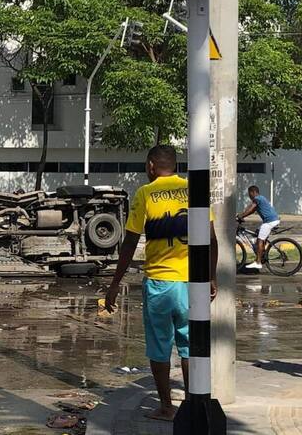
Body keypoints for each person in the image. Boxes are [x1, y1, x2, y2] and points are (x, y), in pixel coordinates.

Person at [104, 145, 218, 422]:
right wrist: (210, 276)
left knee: (159, 347)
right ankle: (192, 402)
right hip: (191, 283)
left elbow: (130, 241)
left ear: (151, 166)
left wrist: (115, 283)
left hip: (158, 282)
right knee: (190, 345)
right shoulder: (194, 190)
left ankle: (167, 407)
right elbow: (212, 239)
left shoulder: (145, 193)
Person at [238, 185, 280, 270]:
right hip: (271, 220)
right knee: (257, 234)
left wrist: (241, 216)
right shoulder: (261, 199)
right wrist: (242, 215)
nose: (249, 196)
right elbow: (252, 211)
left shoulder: (258, 199)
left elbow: (251, 208)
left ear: (253, 192)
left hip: (270, 222)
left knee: (260, 240)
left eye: (249, 194)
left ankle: (258, 262)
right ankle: (262, 254)